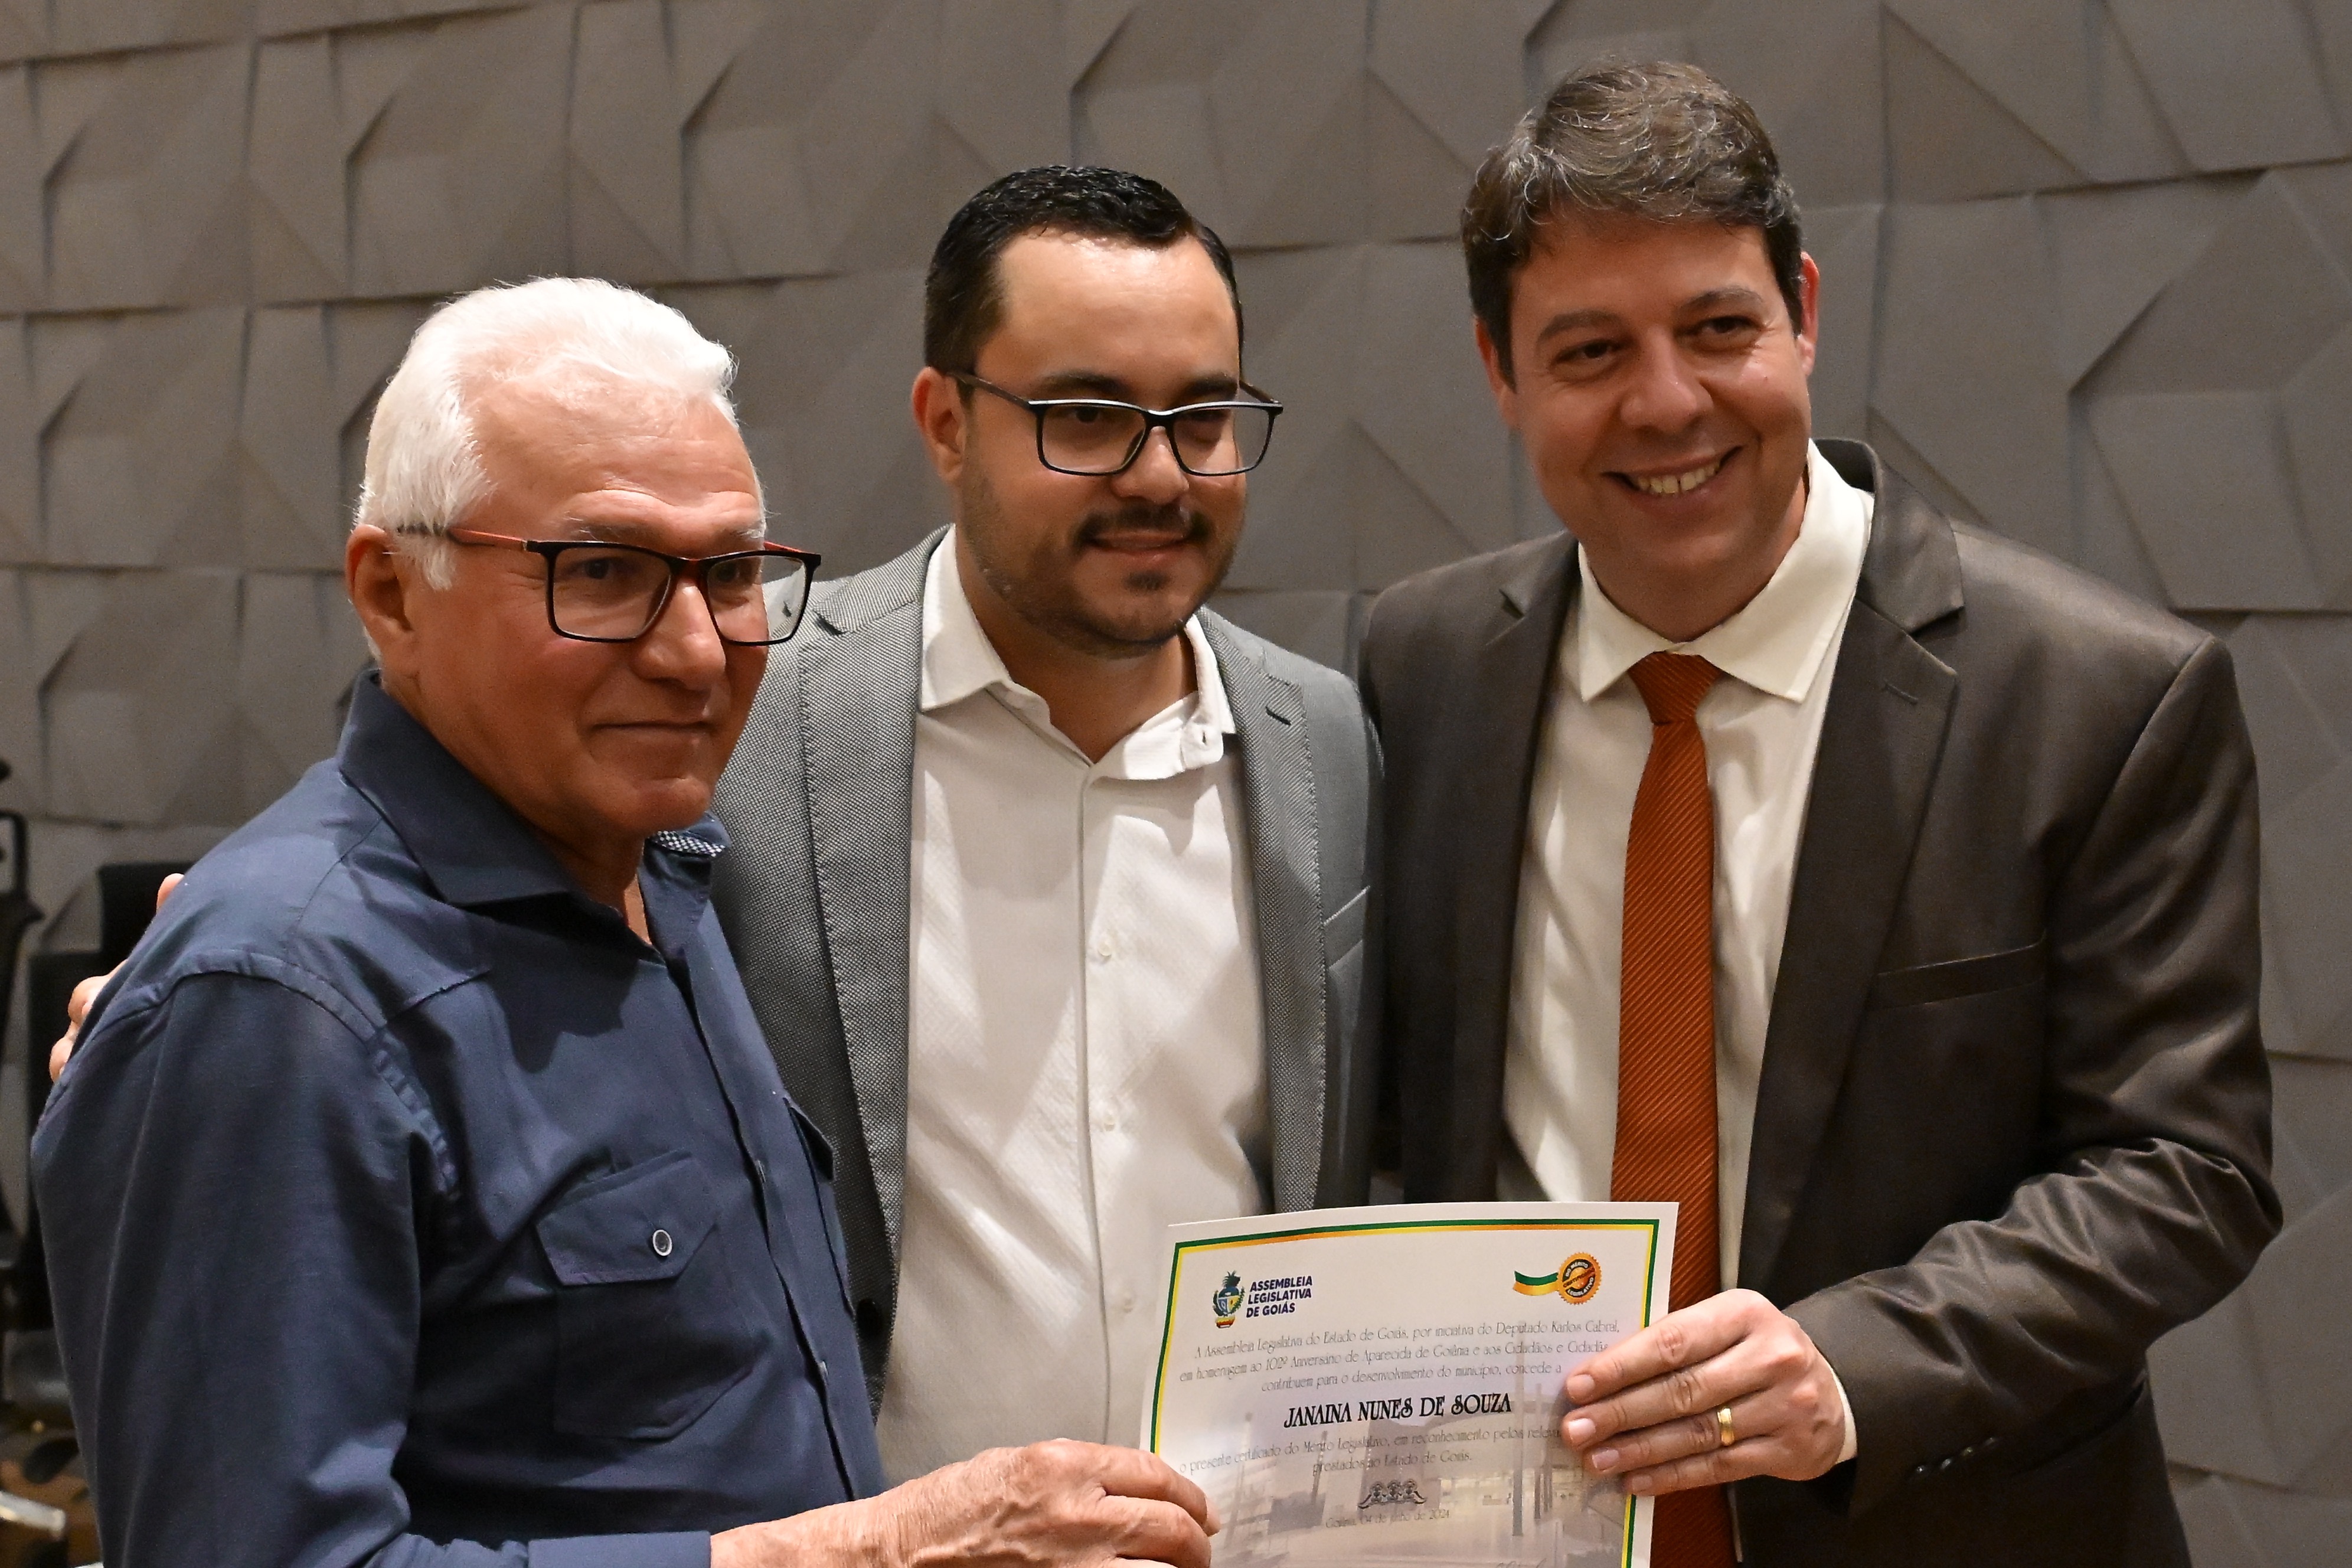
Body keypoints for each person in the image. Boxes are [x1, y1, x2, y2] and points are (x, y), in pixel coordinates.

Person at [34, 277, 1216, 1568]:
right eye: (602, 573)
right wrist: (871, 1552)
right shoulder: (277, 997)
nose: (698, 651)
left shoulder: (664, 877)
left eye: (730, 573)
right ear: (392, 594)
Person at [1358, 63, 2277, 1567]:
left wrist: (1858, 1361)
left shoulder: (2104, 697)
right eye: (1589, 350)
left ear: (1804, 312)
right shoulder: (1424, 665)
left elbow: (2186, 1170)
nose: (1668, 401)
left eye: (1719, 328)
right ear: (1499, 371)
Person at [711, 165, 1377, 1480]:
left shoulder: (1326, 739)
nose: (1160, 475)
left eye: (1203, 417)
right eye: (1087, 416)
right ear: (945, 423)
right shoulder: (753, 717)